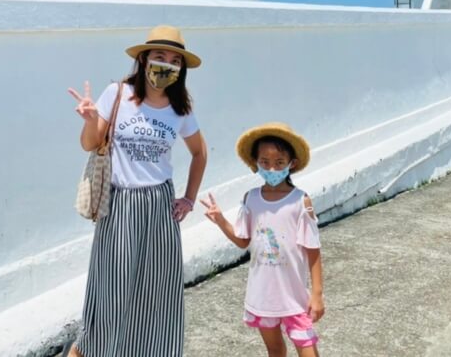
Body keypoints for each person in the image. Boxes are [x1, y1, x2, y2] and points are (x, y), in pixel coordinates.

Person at [67, 25, 208, 357]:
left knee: (157, 291)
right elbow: (90, 144)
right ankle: (86, 351)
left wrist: (189, 198)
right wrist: (89, 120)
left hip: (159, 204)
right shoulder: (117, 94)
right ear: (144, 59)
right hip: (120, 203)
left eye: (175, 60)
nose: (167, 65)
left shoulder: (180, 109)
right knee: (111, 290)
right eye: (160, 56)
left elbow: (200, 153)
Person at [201, 123, 324, 357]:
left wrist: (317, 294)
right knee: (275, 351)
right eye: (264, 162)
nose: (271, 168)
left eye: (279, 162)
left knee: (308, 351)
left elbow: (313, 249)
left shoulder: (301, 201)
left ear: (292, 163)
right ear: (255, 164)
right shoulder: (251, 199)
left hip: (295, 298)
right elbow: (242, 240)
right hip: (262, 296)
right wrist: (220, 220)